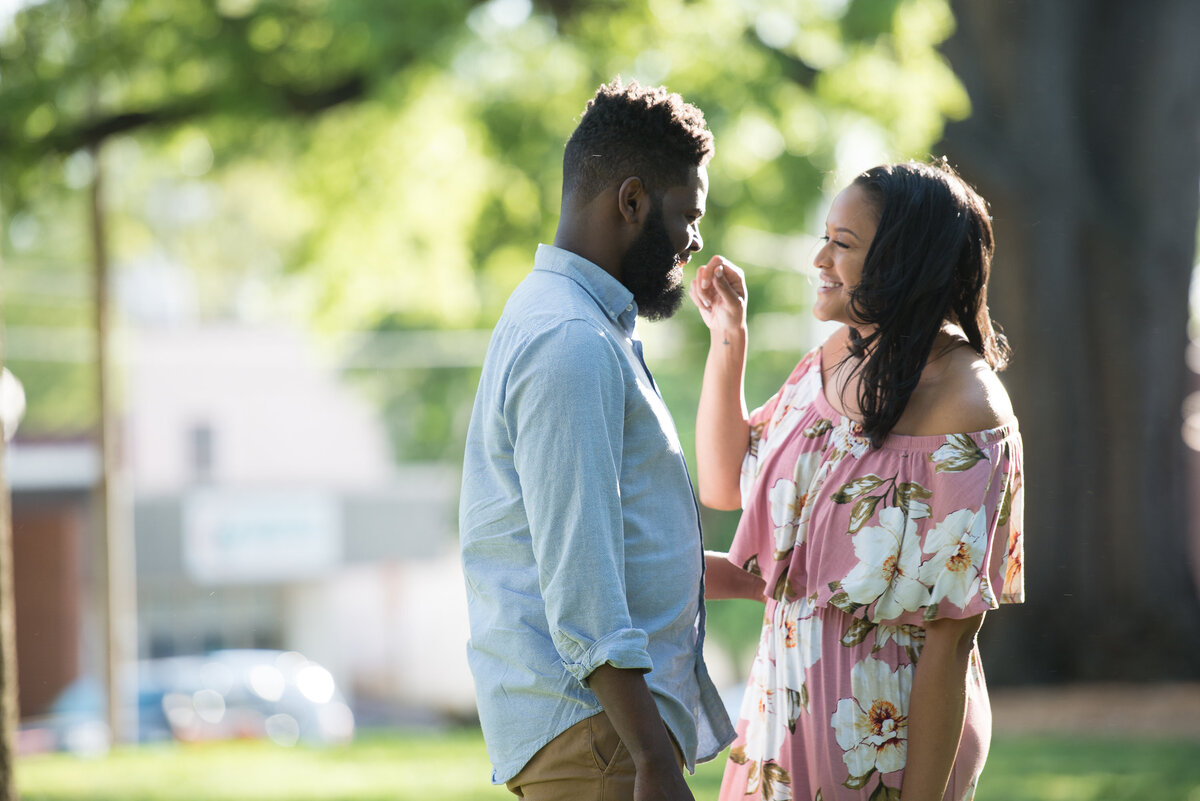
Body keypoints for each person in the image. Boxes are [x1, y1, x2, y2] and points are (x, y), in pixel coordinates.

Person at [690, 160, 1025, 801]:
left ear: (906, 261)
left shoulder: (969, 408)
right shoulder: (838, 354)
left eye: (842, 244)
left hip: (886, 738)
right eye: (825, 236)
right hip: (780, 718)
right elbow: (725, 485)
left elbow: (950, 639)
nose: (818, 257)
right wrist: (728, 340)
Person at [459, 79, 736, 801]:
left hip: (600, 735)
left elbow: (601, 534)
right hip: (602, 740)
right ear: (633, 200)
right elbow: (580, 574)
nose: (696, 239)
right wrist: (650, 756)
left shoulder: (578, 322)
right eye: (689, 213)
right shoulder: (571, 340)